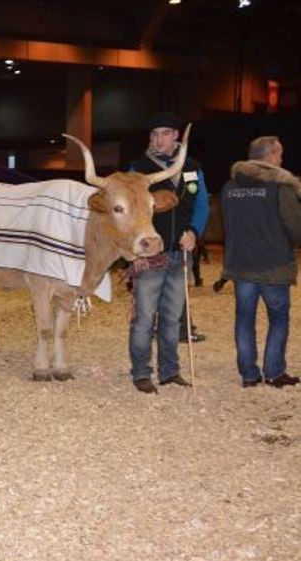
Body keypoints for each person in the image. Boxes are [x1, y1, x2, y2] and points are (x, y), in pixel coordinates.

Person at [127, 112, 209, 393]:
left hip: (179, 254)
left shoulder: (192, 167)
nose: (158, 139)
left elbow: (201, 206)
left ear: (176, 136)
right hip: (150, 256)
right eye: (153, 134)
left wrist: (194, 233)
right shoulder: (137, 169)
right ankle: (140, 372)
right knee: (144, 318)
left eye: (164, 133)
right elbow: (129, 213)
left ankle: (170, 371)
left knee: (173, 318)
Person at [222, 136, 301, 388]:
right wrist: (290, 245)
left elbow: (228, 225)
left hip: (241, 264)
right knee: (278, 318)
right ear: (269, 157)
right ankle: (274, 372)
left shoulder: (230, 187)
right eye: (279, 154)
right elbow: (294, 226)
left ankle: (248, 374)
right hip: (274, 265)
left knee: (244, 319)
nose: (281, 159)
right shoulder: (282, 188)